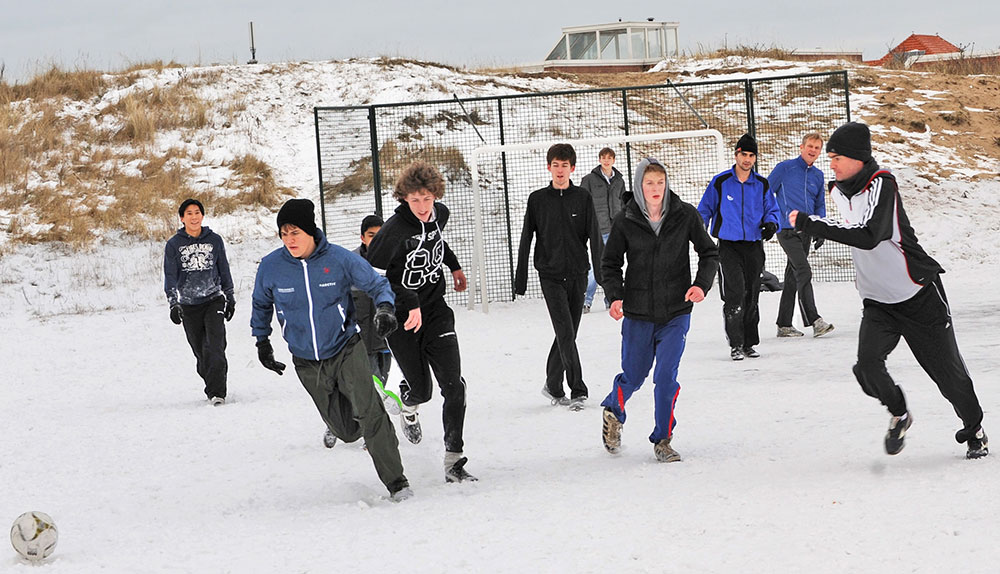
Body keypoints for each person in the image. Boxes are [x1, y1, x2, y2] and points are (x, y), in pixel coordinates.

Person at [790, 121, 987, 459]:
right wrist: (821, 230)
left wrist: (813, 223)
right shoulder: (837, 190)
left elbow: (871, 234)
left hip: (918, 295)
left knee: (948, 375)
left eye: (836, 157)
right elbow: (849, 226)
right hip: (879, 302)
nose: (831, 163)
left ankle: (975, 430)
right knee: (866, 366)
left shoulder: (883, 183)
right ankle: (899, 413)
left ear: (856, 158)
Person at [250, 198, 413, 501]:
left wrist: (386, 309)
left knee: (368, 413)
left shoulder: (338, 259)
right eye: (284, 233)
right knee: (347, 431)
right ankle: (375, 423)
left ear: (311, 231)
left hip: (346, 348)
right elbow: (261, 303)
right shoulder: (272, 267)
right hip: (306, 361)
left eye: (295, 232)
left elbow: (377, 285)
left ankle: (397, 482)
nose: (289, 240)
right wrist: (262, 342)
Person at [599, 158, 718, 462]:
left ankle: (662, 440)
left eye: (660, 182)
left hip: (676, 311)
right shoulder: (625, 219)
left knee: (666, 376)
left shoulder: (685, 215)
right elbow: (610, 264)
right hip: (638, 313)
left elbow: (708, 252)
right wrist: (615, 296)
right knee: (635, 375)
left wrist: (701, 285)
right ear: (639, 186)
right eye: (649, 183)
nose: (656, 189)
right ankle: (614, 409)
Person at [366, 161, 477, 483]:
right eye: (414, 200)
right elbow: (375, 277)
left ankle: (454, 460)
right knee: (422, 391)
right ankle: (408, 402)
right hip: (400, 320)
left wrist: (454, 267)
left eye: (427, 199)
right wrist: (407, 303)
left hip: (436, 311)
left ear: (435, 196)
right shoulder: (392, 231)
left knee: (454, 386)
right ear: (403, 199)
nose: (422, 207)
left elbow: (437, 243)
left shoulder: (439, 214)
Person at [514, 143, 604, 411]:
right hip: (550, 275)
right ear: (549, 167)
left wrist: (602, 275)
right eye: (556, 165)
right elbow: (526, 238)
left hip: (578, 273)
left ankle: (552, 385)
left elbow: (595, 238)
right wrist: (520, 280)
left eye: (565, 165)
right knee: (565, 331)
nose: (560, 170)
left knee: (568, 332)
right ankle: (578, 389)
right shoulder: (537, 199)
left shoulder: (583, 198)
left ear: (572, 168)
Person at [697, 134, 781, 361]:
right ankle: (735, 344)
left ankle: (749, 343)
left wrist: (772, 223)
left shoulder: (762, 184)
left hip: (754, 246)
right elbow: (704, 209)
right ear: (736, 155)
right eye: (743, 154)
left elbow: (772, 210)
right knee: (734, 293)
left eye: (751, 155)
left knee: (752, 293)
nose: (747, 159)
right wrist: (698, 233)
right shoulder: (721, 182)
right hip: (728, 247)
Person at [322, 214, 398, 450]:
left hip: (385, 333)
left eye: (379, 236)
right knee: (361, 381)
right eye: (371, 236)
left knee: (382, 378)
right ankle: (346, 424)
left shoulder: (395, 258)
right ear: (362, 237)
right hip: (359, 332)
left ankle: (384, 420)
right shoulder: (351, 260)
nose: (375, 241)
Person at [163, 198, 235, 406]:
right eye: (189, 213)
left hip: (213, 300)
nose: (194, 217)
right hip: (189, 305)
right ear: (182, 218)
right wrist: (173, 303)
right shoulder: (174, 245)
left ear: (202, 216)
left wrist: (229, 297)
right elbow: (169, 275)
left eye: (197, 212)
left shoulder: (214, 240)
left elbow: (224, 268)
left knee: (216, 347)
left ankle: (217, 392)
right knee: (201, 352)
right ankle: (211, 382)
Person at [768, 133, 835, 338]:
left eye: (817, 147)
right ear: (801, 147)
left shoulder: (818, 175)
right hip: (786, 231)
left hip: (806, 231)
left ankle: (784, 324)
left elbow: (819, 203)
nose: (813, 150)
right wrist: (769, 218)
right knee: (804, 271)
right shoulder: (785, 168)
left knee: (792, 277)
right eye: (810, 146)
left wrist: (820, 227)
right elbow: (765, 192)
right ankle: (814, 320)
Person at [579, 147, 625, 313]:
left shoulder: (619, 180)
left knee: (611, 265)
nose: (606, 161)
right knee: (595, 266)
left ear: (613, 160)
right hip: (596, 229)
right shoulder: (589, 179)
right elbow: (581, 203)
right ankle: (586, 300)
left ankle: (610, 299)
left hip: (614, 229)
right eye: (603, 158)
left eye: (609, 158)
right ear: (599, 160)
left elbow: (622, 202)